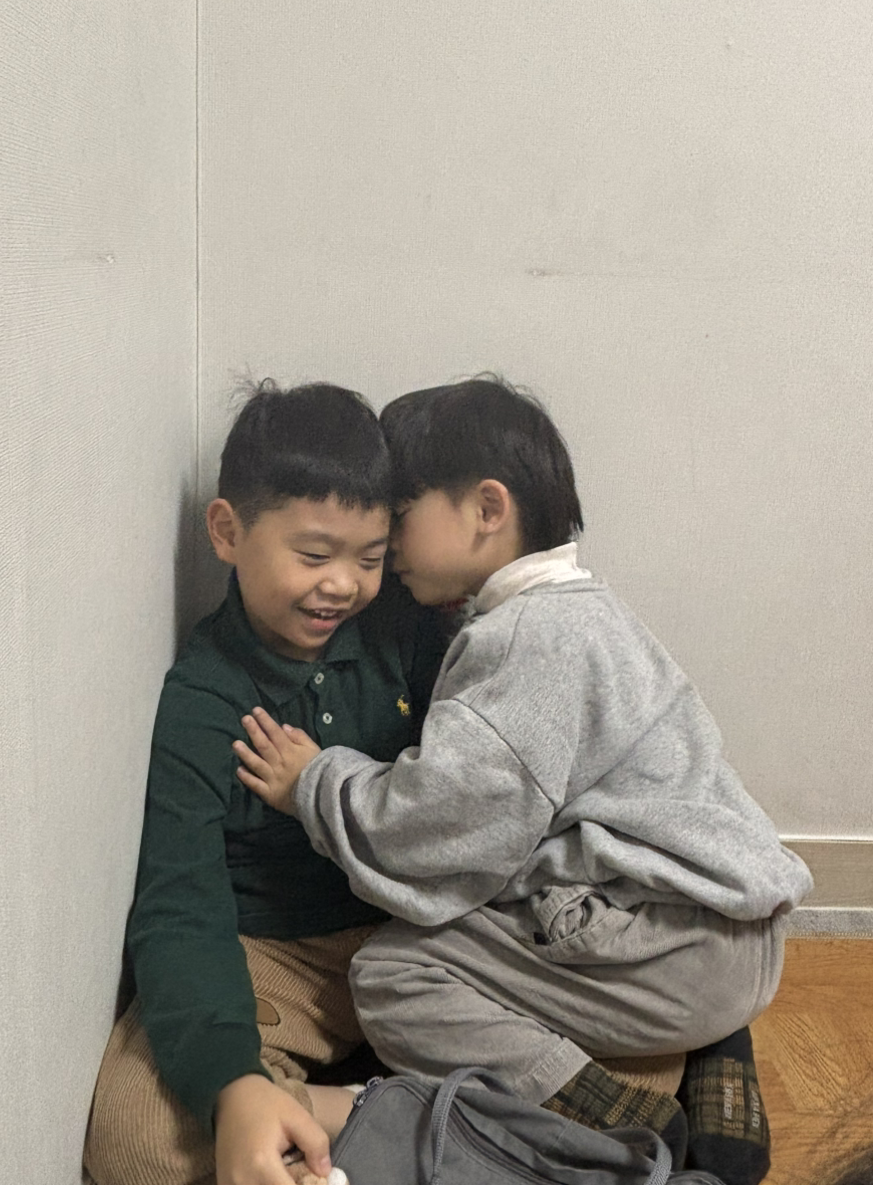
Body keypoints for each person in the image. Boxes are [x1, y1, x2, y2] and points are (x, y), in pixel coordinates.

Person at [234, 375, 815, 1185]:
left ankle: (616, 1114)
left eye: (402, 513)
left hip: (680, 951)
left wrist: (314, 782)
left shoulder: (523, 641)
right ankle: (717, 1046)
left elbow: (439, 834)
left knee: (393, 974)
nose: (388, 545)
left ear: (486, 509)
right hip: (734, 929)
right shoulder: (592, 611)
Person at [83, 381, 447, 1185]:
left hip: (421, 935)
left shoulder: (408, 629)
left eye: (371, 559)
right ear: (227, 531)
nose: (343, 584)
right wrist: (233, 1085)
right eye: (313, 556)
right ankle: (366, 1120)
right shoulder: (203, 697)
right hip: (279, 956)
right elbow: (181, 904)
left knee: (633, 1059)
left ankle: (365, 1115)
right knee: (137, 1142)